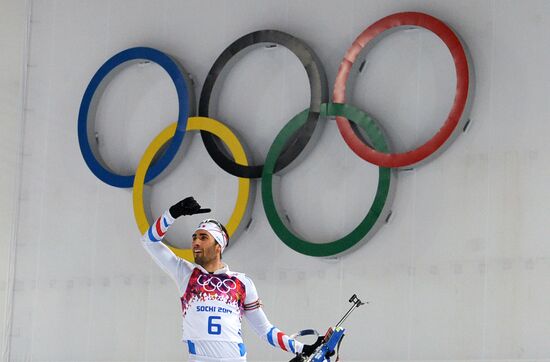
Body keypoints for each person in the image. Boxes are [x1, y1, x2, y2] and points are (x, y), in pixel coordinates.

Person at [141, 196, 323, 362]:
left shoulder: (242, 283)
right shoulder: (185, 272)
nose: (196, 242)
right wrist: (173, 213)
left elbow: (265, 330)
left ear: (218, 245)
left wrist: (303, 348)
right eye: (194, 237)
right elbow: (149, 241)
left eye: (203, 237)